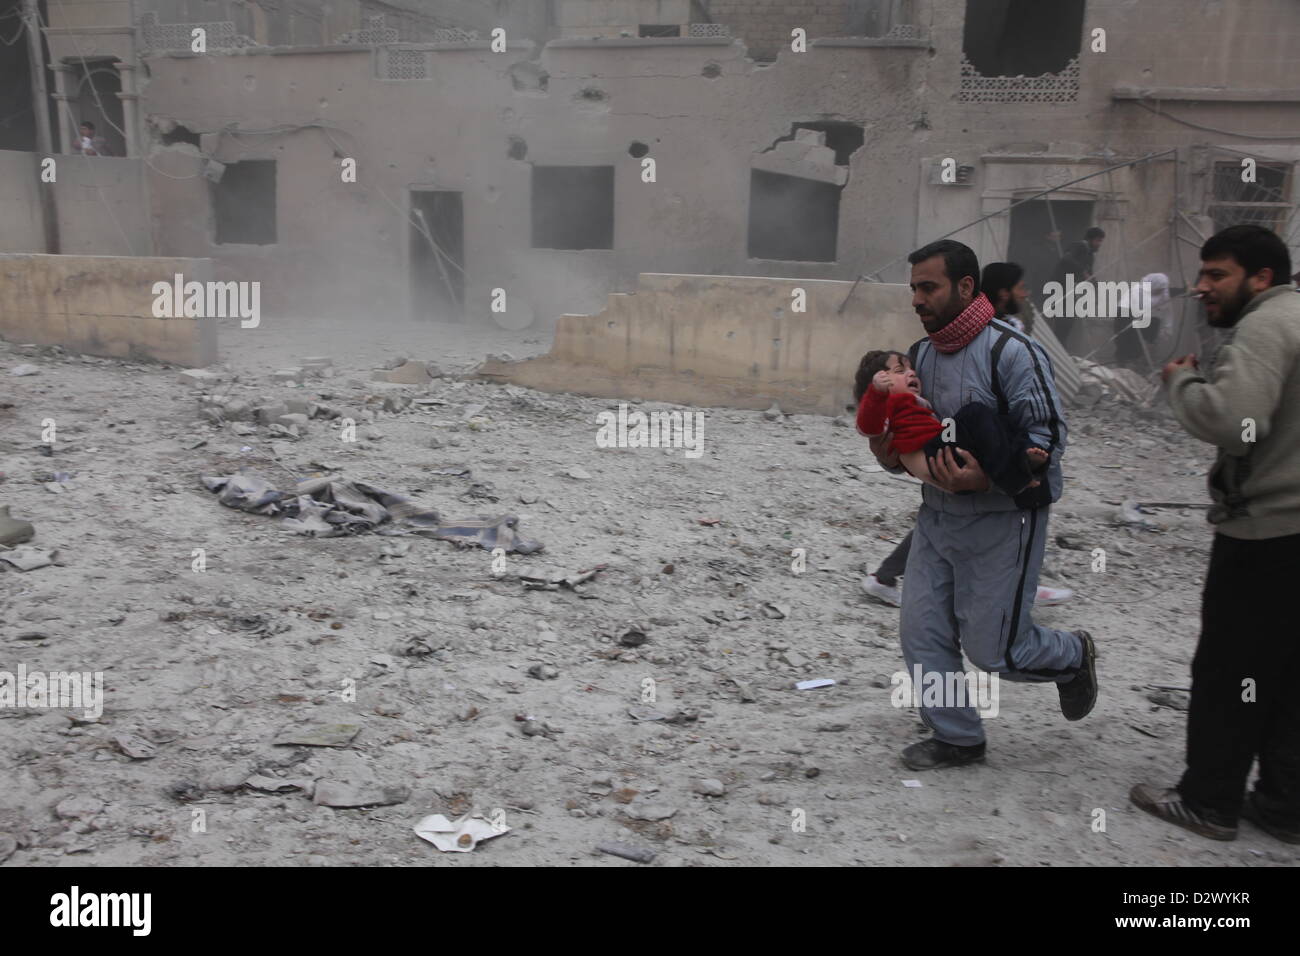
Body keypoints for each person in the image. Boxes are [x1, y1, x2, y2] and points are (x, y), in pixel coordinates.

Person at [867, 239, 1095, 770]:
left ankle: (1073, 655)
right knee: (921, 633)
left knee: (997, 652)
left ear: (965, 287)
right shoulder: (918, 357)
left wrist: (984, 479)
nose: (918, 300)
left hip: (1004, 520)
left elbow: (1049, 441)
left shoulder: (1011, 352)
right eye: (914, 290)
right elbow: (910, 439)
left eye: (929, 288)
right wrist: (889, 451)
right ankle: (958, 739)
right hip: (936, 517)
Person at [1130, 225, 1300, 844]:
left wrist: (1183, 381)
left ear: (1261, 278)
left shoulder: (1265, 325)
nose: (1201, 287)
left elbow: (1239, 422)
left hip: (1267, 537)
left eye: (1216, 275)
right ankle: (1284, 808)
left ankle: (1208, 800)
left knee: (1233, 671)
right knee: (1288, 676)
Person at [857, 359, 1049, 497]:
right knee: (974, 413)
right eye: (900, 370)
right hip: (935, 455)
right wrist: (876, 393)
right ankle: (1012, 478)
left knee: (1002, 421)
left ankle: (1023, 455)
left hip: (943, 445)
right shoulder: (887, 403)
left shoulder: (913, 401)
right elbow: (868, 428)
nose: (912, 372)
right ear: (879, 381)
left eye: (911, 368)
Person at [1048, 227, 1105, 350]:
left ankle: (1060, 347)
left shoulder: (1090, 255)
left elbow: (1090, 274)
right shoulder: (1080, 246)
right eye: (1098, 240)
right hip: (1060, 287)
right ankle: (1056, 348)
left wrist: (1096, 288)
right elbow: (1066, 259)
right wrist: (1082, 271)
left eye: (1101, 241)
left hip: (1069, 290)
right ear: (1091, 239)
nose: (1099, 244)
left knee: (1068, 320)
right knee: (1063, 320)